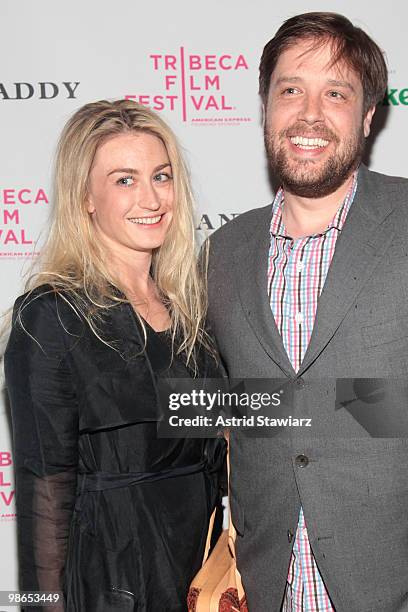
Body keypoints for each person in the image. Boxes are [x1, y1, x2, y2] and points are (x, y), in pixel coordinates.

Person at [206, 11, 408, 612]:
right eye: (290, 90)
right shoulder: (221, 253)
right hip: (268, 582)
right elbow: (231, 409)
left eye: (336, 93)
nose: (309, 114)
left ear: (368, 117)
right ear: (266, 107)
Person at [5, 99, 225, 612]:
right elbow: (44, 504)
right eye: (124, 180)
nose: (151, 198)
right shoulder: (52, 317)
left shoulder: (191, 308)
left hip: (205, 578)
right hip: (113, 585)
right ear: (86, 197)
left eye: (161, 176)